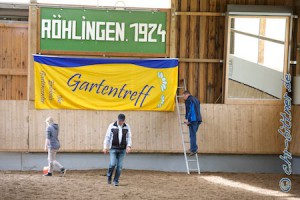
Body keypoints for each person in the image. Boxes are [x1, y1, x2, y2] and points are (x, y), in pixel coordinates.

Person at [103, 114, 132, 186]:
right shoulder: (111, 126)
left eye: (122, 121)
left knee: (119, 167)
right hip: (113, 148)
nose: (120, 122)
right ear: (117, 119)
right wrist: (105, 147)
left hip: (122, 150)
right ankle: (109, 176)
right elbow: (107, 137)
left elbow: (129, 137)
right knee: (112, 164)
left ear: (124, 120)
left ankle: (116, 181)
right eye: (119, 120)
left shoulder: (127, 126)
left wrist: (129, 146)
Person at [183, 91, 202, 156]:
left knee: (192, 135)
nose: (183, 98)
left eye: (183, 96)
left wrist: (186, 119)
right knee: (193, 135)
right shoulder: (196, 99)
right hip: (198, 119)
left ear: (186, 95)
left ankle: (193, 149)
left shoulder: (188, 100)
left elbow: (189, 110)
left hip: (193, 120)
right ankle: (193, 147)